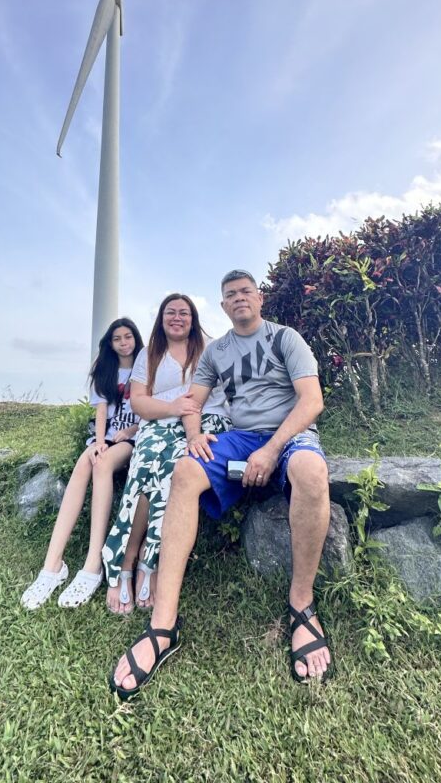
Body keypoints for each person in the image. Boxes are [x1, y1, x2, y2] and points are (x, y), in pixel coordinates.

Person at [110, 270, 330, 699]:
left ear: (259, 298)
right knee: (186, 470)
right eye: (230, 295)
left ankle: (301, 606)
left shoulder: (286, 339)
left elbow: (312, 401)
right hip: (240, 438)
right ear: (224, 306)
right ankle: (162, 624)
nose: (239, 298)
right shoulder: (217, 352)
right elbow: (193, 400)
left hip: (289, 434)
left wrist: (270, 451)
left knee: (309, 470)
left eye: (246, 291)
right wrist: (193, 435)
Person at [102, 294, 228, 615]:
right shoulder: (149, 354)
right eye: (170, 312)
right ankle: (126, 557)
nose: (177, 318)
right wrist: (172, 406)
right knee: (145, 465)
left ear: (193, 318)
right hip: (158, 420)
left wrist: (189, 422)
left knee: (173, 469)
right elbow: (140, 402)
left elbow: (209, 397)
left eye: (183, 313)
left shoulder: (209, 348)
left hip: (204, 421)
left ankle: (151, 558)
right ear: (161, 318)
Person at [20, 317, 145, 610]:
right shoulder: (104, 370)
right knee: (85, 463)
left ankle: (93, 563)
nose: (124, 342)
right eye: (117, 338)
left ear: (136, 339)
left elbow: (149, 412)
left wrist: (125, 434)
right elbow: (101, 411)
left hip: (132, 438)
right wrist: (100, 441)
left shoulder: (146, 366)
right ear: (109, 344)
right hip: (107, 437)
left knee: (102, 465)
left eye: (128, 337)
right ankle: (53, 565)